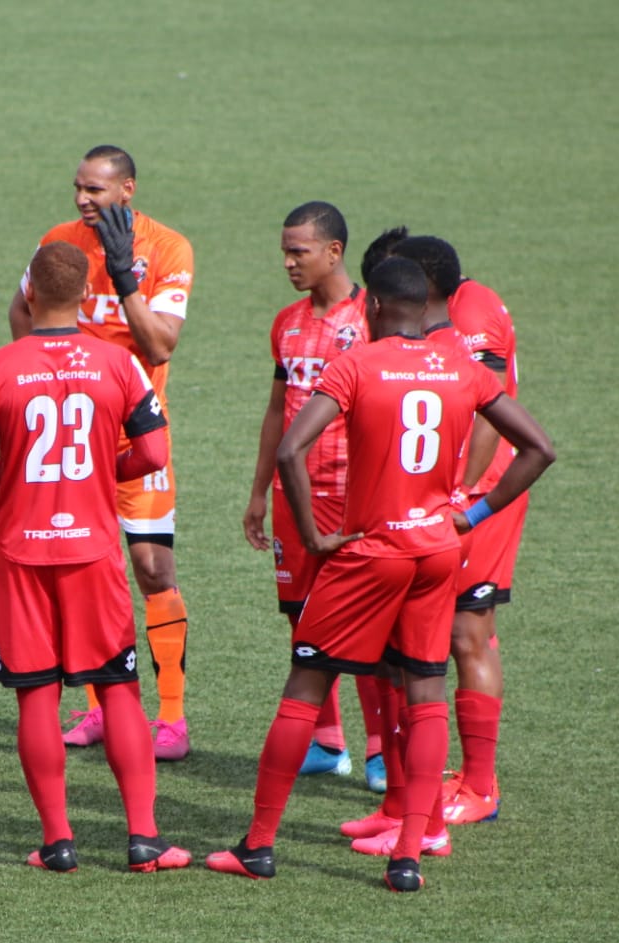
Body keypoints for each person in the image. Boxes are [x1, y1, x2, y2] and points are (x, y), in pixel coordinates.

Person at [206, 257, 554, 892]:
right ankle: (410, 855)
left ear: (371, 309)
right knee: (426, 692)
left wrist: (314, 535)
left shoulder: (356, 364)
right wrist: (471, 514)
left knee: (305, 683)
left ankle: (257, 846)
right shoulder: (461, 366)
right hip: (437, 550)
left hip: (371, 552)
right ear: (425, 309)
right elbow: (540, 449)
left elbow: (291, 448)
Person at [0, 241, 191, 872]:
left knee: (36, 698)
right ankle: (144, 840)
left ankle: (58, 842)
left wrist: (15, 472)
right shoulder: (119, 363)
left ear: (29, 292)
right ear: (87, 294)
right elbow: (154, 454)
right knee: (118, 690)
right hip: (92, 552)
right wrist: (103, 471)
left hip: (21, 555)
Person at [8, 145, 195, 760]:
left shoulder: (169, 248)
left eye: (95, 189)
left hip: (137, 440)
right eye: (78, 187)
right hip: (73, 442)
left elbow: (159, 345)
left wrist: (123, 275)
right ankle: (95, 707)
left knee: (152, 569)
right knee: (83, 570)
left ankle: (171, 718)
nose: (82, 199)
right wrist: (41, 376)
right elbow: (21, 309)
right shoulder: (58, 241)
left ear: (127, 190)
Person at [358, 229, 524, 825]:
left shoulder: (471, 314)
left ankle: (479, 785)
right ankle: (414, 790)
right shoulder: (439, 320)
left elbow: (491, 413)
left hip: (478, 499)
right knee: (409, 640)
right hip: (435, 502)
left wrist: (462, 495)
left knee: (467, 632)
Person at [242, 201, 385, 790]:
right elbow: (278, 411)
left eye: (298, 251)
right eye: (284, 251)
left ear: (334, 252)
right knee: (301, 615)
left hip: (355, 493)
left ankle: (380, 750)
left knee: (369, 621)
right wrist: (258, 491)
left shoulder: (372, 318)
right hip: (293, 494)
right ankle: (327, 742)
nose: (288, 262)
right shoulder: (286, 322)